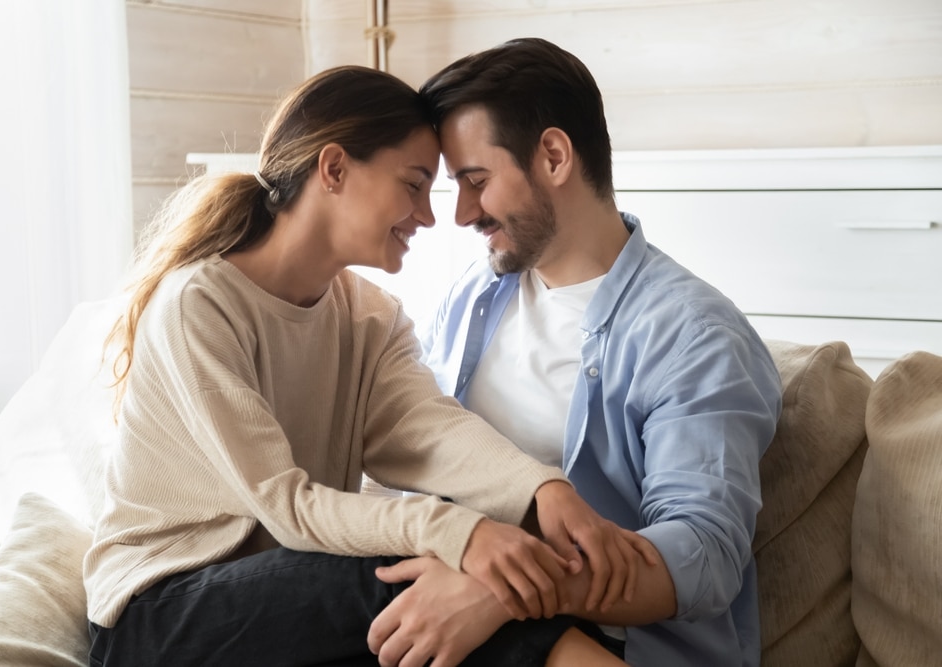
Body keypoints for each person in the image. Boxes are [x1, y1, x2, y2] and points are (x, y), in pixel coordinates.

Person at [82, 64, 649, 667]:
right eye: (413, 184)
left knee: (456, 610)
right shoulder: (200, 305)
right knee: (400, 578)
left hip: (284, 607)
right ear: (334, 169)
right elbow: (287, 507)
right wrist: (458, 533)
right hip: (155, 616)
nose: (430, 217)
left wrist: (543, 490)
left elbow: (430, 432)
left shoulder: (369, 315)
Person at [368, 38, 783, 667]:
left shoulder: (693, 333)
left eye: (476, 181)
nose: (463, 214)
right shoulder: (474, 294)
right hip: (443, 603)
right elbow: (414, 443)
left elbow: (703, 552)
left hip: (601, 644)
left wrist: (506, 589)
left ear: (555, 156)